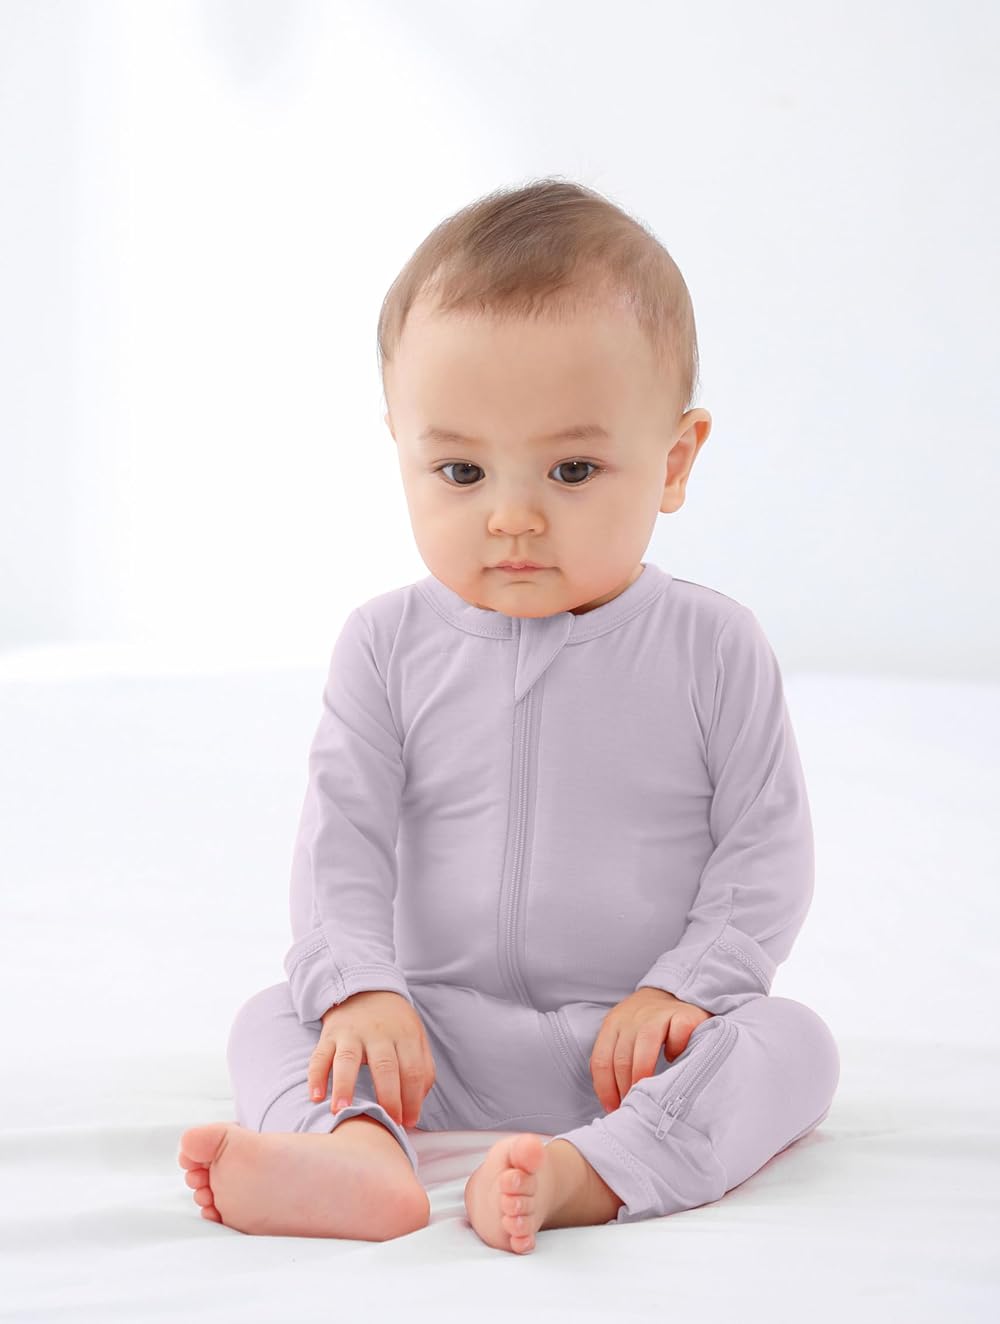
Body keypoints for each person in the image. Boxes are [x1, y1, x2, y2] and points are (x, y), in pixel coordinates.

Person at [177, 177, 840, 1252]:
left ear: (673, 462)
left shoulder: (712, 646)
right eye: (461, 470)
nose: (513, 515)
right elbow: (342, 842)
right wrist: (361, 992)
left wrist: (685, 989)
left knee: (794, 1045)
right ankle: (356, 1154)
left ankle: (600, 1169)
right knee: (273, 1018)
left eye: (572, 468)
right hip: (430, 1036)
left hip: (634, 1046)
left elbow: (764, 850)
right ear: (401, 448)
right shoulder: (385, 645)